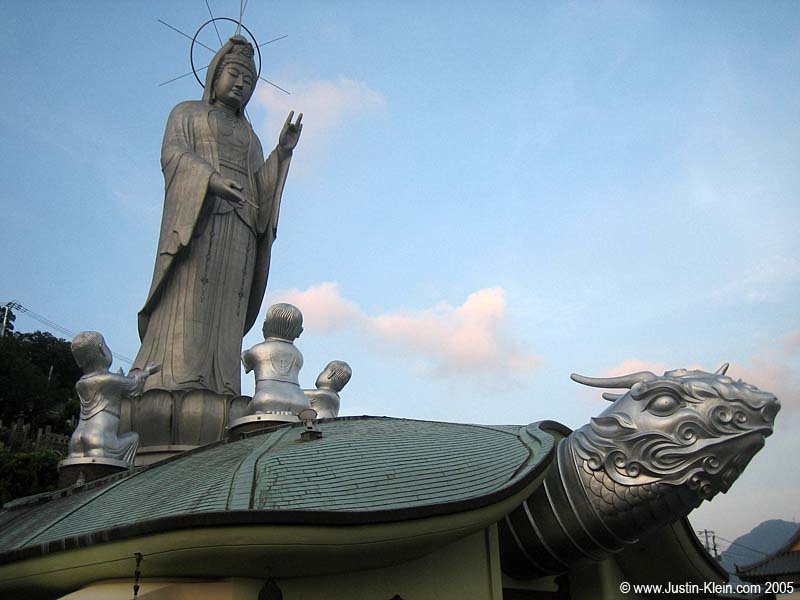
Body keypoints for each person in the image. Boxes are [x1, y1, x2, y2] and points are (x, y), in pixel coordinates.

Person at [132, 35, 302, 398]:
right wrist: (209, 180)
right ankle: (175, 379)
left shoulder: (249, 135)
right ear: (214, 74)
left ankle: (222, 383)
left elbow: (259, 184)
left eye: (249, 81)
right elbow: (173, 155)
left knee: (228, 308)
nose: (241, 84)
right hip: (199, 220)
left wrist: (282, 151)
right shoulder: (187, 113)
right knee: (192, 296)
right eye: (235, 74)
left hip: (240, 225)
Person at [68, 331, 159, 463]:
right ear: (102, 350)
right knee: (133, 439)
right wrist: (147, 371)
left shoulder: (80, 384)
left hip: (75, 440)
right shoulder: (110, 380)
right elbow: (134, 385)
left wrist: (119, 380)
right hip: (100, 439)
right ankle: (123, 473)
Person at [241, 303, 309, 414]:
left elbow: (246, 362)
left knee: (242, 414)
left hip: (267, 398)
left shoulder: (258, 349)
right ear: (299, 332)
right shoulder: (298, 354)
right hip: (301, 401)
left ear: (265, 325)